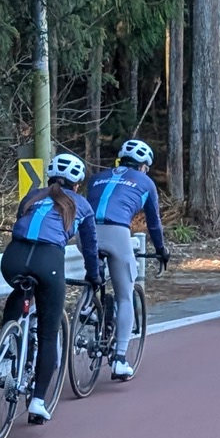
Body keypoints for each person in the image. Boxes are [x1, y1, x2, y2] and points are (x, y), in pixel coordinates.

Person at [1, 151, 97, 425]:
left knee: (21, 291)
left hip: (13, 257)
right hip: (48, 260)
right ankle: (38, 401)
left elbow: (22, 224)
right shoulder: (82, 204)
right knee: (47, 332)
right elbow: (90, 247)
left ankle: (6, 346)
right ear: (77, 183)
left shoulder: (32, 196)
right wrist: (95, 275)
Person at [81, 138, 171, 380]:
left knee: (94, 270)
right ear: (143, 166)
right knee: (125, 295)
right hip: (117, 233)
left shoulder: (97, 177)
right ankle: (120, 359)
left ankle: (86, 304)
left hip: (86, 232)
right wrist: (161, 250)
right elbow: (154, 222)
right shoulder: (146, 182)